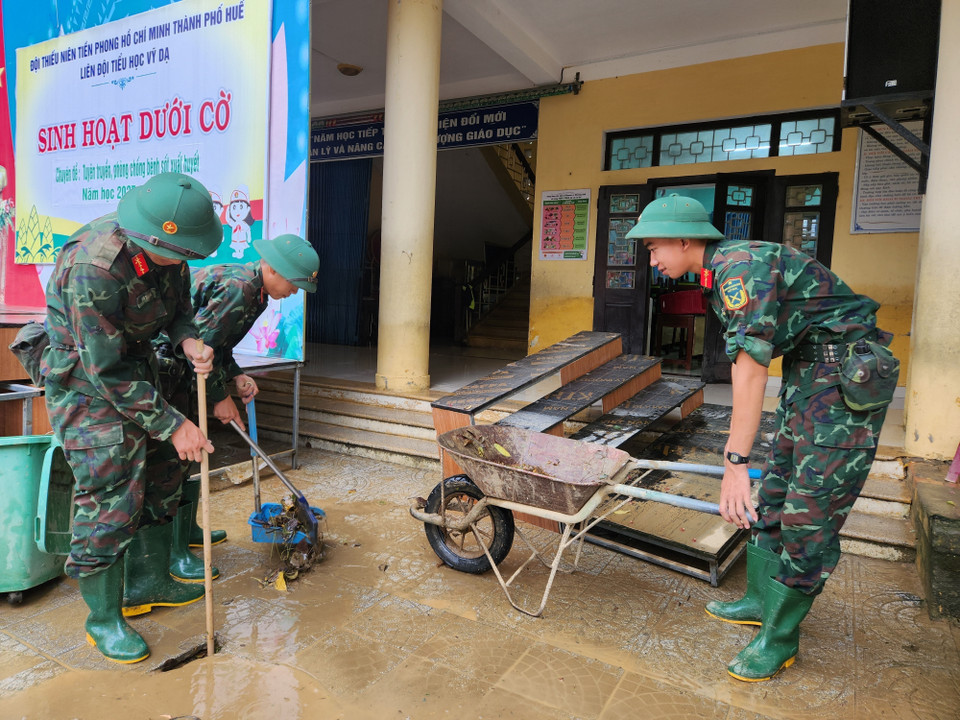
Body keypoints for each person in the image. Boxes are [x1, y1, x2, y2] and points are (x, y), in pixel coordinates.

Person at [625, 195, 898, 682]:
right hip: (810, 375)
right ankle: (758, 601)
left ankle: (780, 638)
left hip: (843, 384)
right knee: (774, 494)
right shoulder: (719, 273)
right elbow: (746, 355)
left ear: (685, 240)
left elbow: (750, 370)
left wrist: (734, 462)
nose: (652, 260)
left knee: (808, 513)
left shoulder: (739, 270)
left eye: (653, 248)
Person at [41, 172, 222, 664]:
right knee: (111, 494)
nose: (186, 262)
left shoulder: (172, 255)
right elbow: (106, 370)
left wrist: (189, 340)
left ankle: (148, 582)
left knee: (163, 473)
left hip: (140, 373)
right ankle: (102, 619)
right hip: (87, 386)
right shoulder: (93, 268)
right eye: (181, 253)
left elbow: (179, 311)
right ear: (152, 238)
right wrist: (174, 424)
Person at [160, 233, 319, 576]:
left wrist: (236, 376)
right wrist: (220, 398)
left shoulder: (258, 292)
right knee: (173, 461)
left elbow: (219, 345)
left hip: (188, 371)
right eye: (293, 283)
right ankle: (172, 553)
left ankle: (186, 533)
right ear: (272, 268)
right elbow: (198, 351)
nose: (294, 292)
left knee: (190, 459)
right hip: (168, 368)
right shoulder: (240, 289)